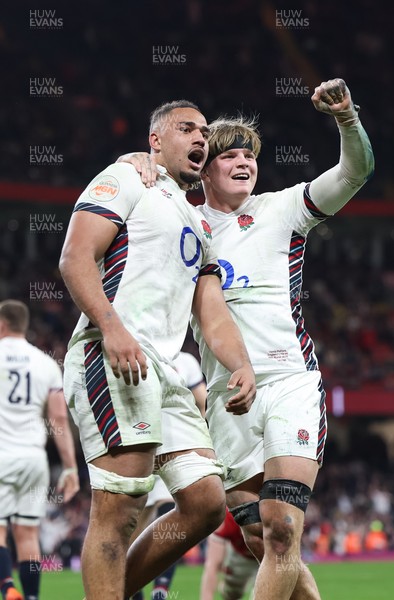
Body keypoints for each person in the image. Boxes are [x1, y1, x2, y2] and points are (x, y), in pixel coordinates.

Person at [120, 79, 374, 599]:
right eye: (229, 155)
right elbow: (138, 182)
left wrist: (347, 119)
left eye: (249, 155)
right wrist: (136, 159)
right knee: (262, 541)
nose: (243, 162)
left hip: (288, 384)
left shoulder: (285, 209)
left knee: (283, 528)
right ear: (204, 168)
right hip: (227, 398)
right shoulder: (183, 222)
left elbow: (356, 171)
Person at [59, 100, 256, 600]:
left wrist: (242, 365)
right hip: (113, 357)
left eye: (204, 132)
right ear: (154, 141)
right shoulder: (127, 179)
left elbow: (211, 312)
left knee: (206, 503)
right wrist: (112, 327)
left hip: (166, 373)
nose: (200, 138)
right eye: (186, 128)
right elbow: (76, 256)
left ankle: (113, 592)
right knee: (119, 507)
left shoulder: (197, 222)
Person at [0, 300, 79, 600]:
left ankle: (7, 587)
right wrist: (70, 467)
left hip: (2, 454)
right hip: (34, 459)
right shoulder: (45, 363)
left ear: (2, 325)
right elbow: (58, 418)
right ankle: (31, 597)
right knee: (28, 534)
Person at [132, 350, 207, 600]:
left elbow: (203, 404)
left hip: (165, 445)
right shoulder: (183, 361)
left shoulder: (139, 352)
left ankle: (160, 588)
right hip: (143, 446)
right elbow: (202, 403)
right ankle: (140, 590)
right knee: (137, 524)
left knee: (169, 509)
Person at [200, 508, 258, 600]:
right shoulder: (227, 518)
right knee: (231, 594)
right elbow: (212, 565)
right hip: (240, 557)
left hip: (270, 556)